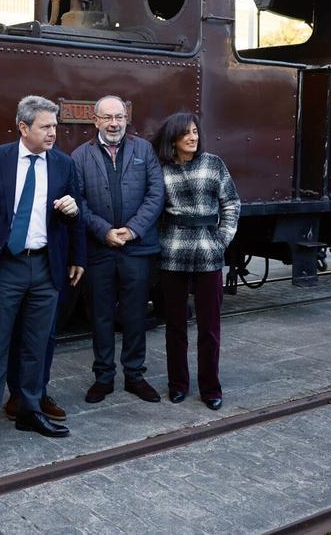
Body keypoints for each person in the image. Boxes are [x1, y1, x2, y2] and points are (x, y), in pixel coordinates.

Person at [0, 95, 86, 456]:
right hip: (5, 266)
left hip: (45, 267)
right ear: (23, 127)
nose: (53, 133)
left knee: (36, 347)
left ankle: (28, 410)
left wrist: (76, 246)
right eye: (46, 126)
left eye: (55, 126)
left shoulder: (63, 164)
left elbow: (77, 212)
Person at [71, 95, 165, 404]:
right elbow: (78, 201)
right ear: (95, 121)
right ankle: (104, 377)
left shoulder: (144, 150)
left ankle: (135, 376)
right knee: (100, 316)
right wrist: (104, 231)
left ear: (126, 119)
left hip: (136, 248)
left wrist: (133, 229)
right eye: (107, 117)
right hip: (100, 249)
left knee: (135, 314)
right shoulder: (80, 156)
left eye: (119, 117)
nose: (114, 123)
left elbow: (156, 194)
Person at [150, 112, 240, 411]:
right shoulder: (161, 169)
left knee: (209, 327)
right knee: (175, 325)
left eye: (195, 132)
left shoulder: (213, 164)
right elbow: (154, 211)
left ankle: (210, 388)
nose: (193, 137)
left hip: (208, 252)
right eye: (186, 133)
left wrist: (222, 239)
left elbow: (231, 203)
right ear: (173, 138)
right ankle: (178, 384)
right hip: (172, 253)